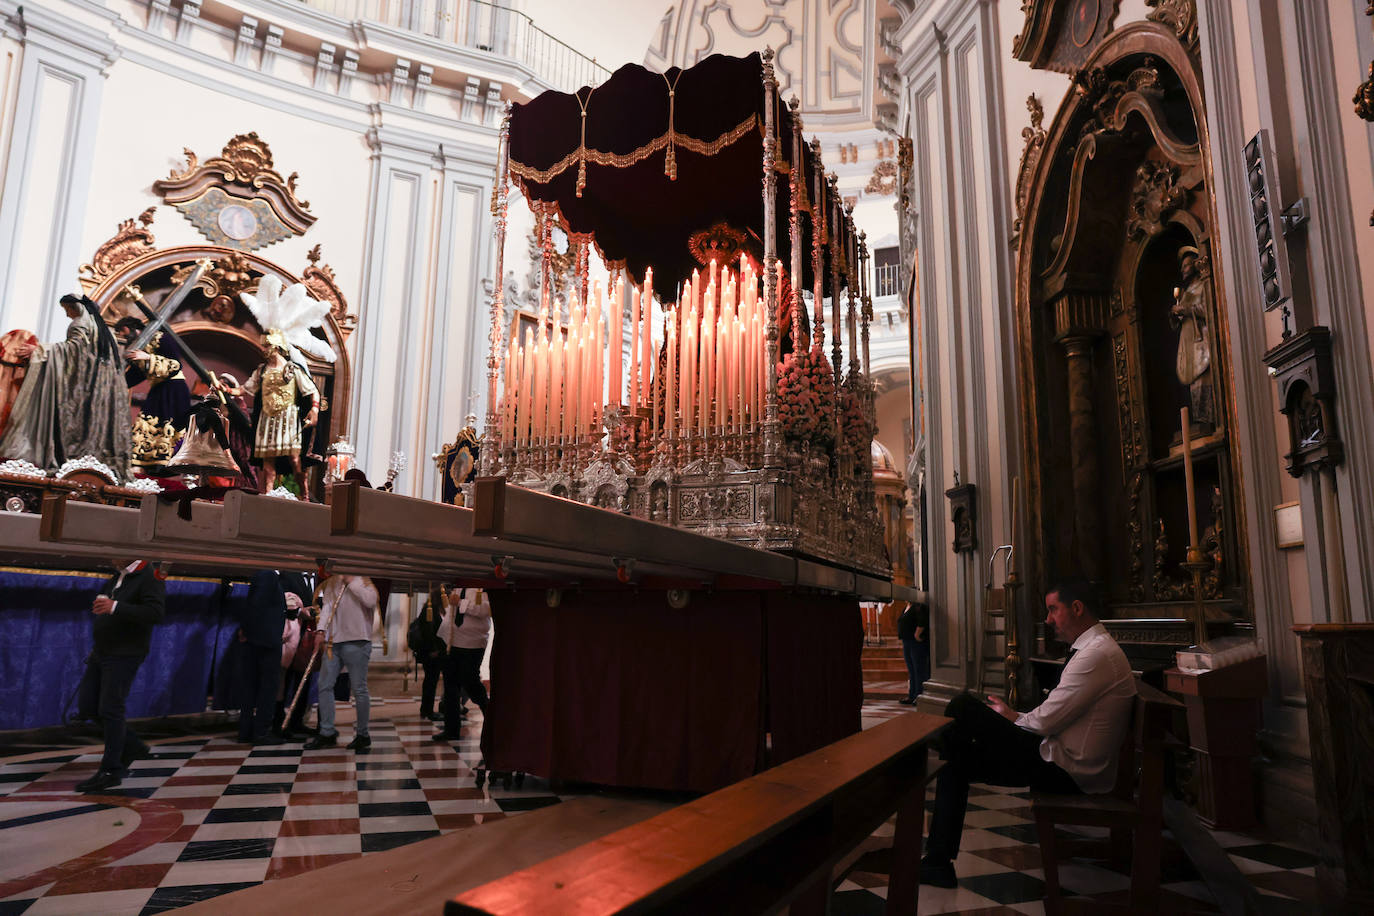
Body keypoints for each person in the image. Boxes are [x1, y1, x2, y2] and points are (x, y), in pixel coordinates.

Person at [920, 578, 1135, 888]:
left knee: (962, 706)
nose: (1048, 620)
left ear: (1076, 609)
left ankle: (931, 745)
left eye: (1053, 610)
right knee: (957, 758)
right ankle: (937, 864)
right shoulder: (1093, 649)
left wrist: (1011, 718)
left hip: (1068, 771)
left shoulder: (1096, 655)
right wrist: (1014, 718)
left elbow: (1047, 721)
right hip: (1060, 758)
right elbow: (1053, 716)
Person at [0, 293, 131, 476]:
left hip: (84, 387)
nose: (67, 314)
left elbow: (74, 351)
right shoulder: (105, 329)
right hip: (102, 389)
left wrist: (40, 351)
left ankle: (71, 461)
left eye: (66, 309)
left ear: (75, 307)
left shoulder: (79, 324)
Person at [74, 558, 166, 793]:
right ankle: (133, 745)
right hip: (102, 651)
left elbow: (155, 612)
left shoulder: (150, 575)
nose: (111, 556)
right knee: (88, 706)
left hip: (125, 653)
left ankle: (111, 771)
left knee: (110, 709)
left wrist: (114, 607)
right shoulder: (120, 575)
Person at [220, 332, 319, 492]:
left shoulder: (292, 369)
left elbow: (312, 390)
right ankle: (268, 493)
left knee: (294, 459)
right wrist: (227, 389)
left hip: (288, 419)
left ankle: (304, 493)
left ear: (276, 346)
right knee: (268, 461)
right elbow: (244, 389)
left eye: (267, 345)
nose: (264, 349)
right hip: (267, 419)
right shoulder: (262, 370)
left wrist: (314, 409)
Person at [308, 573, 379, 751]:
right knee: (324, 685)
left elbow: (370, 601)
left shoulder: (364, 580)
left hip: (358, 640)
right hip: (334, 641)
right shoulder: (332, 582)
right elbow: (327, 607)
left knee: (359, 688)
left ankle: (363, 734)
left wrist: (351, 582)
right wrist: (320, 630)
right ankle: (327, 732)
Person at [113, 316, 192, 469]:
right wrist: (115, 384)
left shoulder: (162, 337)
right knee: (145, 424)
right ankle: (144, 465)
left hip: (174, 390)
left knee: (168, 428)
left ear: (132, 328)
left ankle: (165, 464)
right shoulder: (140, 348)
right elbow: (136, 375)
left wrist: (148, 357)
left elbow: (175, 365)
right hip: (159, 390)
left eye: (122, 331)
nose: (122, 336)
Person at [236, 570, 288, 745]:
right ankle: (261, 732)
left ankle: (245, 731)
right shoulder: (268, 575)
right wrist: (249, 629)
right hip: (266, 642)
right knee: (267, 688)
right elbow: (256, 604)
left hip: (257, 639)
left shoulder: (263, 575)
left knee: (250, 687)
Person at [434, 587, 490, 742]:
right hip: (451, 641)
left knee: (470, 682)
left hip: (473, 643)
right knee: (450, 687)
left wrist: (461, 603)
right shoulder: (458, 586)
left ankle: (490, 714)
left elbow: (485, 610)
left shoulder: (482, 587)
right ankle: (451, 730)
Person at [408, 588, 446, 722]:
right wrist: (433, 650)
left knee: (431, 681)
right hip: (431, 653)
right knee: (431, 681)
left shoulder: (433, 609)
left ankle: (427, 709)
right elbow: (429, 633)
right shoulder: (431, 610)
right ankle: (428, 710)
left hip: (433, 652)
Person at [897, 600, 930, 705]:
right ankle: (912, 695)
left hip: (915, 642)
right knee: (911, 670)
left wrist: (917, 634)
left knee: (918, 669)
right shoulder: (907, 607)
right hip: (906, 641)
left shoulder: (918, 607)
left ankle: (920, 696)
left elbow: (922, 621)